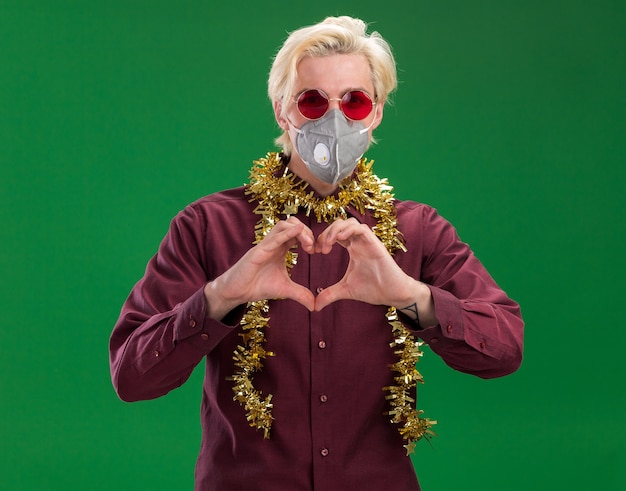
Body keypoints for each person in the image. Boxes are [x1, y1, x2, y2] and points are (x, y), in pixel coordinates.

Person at [109, 16, 524, 491]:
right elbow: (132, 377)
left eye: (355, 101)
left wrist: (411, 296)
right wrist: (220, 297)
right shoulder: (208, 225)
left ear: (377, 113)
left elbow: (505, 348)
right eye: (311, 101)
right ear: (282, 111)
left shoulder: (418, 229)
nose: (334, 119)